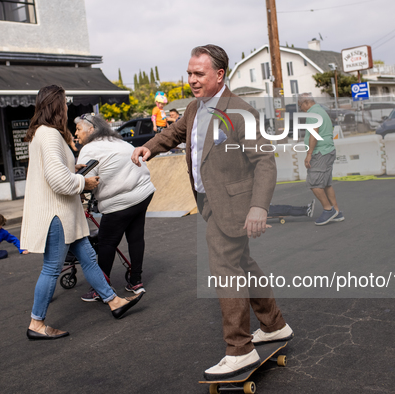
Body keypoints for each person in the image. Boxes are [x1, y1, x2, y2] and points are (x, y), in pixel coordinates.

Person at [132, 45, 293, 380]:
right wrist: (150, 146)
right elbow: (173, 134)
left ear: (219, 75)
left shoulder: (239, 111)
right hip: (209, 204)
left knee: (225, 268)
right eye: (189, 73)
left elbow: (264, 162)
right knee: (242, 265)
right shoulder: (194, 108)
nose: (191, 79)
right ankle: (274, 324)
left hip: (235, 205)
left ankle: (240, 349)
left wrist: (259, 207)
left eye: (198, 73)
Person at [20, 85, 143, 340]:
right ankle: (36, 323)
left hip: (64, 214)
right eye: (64, 103)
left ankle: (113, 301)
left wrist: (71, 167)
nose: (67, 107)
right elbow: (57, 181)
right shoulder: (51, 135)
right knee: (52, 269)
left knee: (88, 257)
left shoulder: (41, 134)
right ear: (56, 105)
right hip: (58, 215)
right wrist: (82, 182)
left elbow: (51, 171)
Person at [74, 113, 156, 298]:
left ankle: (100, 288)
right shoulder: (118, 141)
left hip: (119, 200)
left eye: (79, 129)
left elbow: (85, 181)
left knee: (107, 242)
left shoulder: (89, 149)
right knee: (135, 238)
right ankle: (136, 281)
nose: (75, 134)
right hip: (143, 193)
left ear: (92, 129)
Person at [299, 93, 344, 225]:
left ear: (306, 103)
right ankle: (336, 212)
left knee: (314, 184)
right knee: (326, 184)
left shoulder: (313, 114)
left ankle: (328, 210)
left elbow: (314, 134)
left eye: (300, 105)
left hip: (320, 153)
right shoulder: (321, 111)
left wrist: (309, 154)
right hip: (328, 151)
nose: (300, 108)